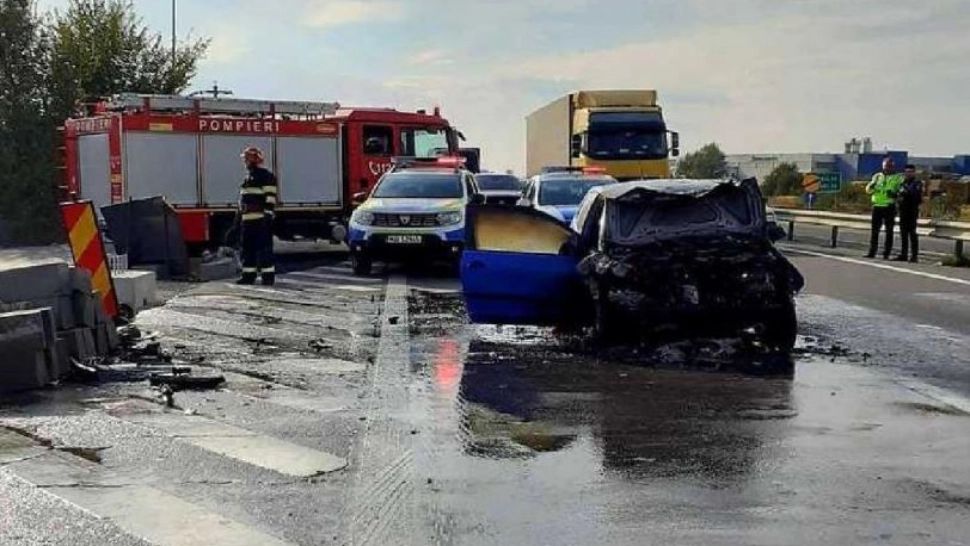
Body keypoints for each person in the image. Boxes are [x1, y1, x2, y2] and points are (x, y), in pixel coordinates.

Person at [237, 146, 277, 285]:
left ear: (254, 159)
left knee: (264, 249)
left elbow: (270, 198)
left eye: (247, 159)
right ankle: (248, 276)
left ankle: (268, 277)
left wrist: (267, 216)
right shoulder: (248, 177)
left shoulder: (265, 176)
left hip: (260, 220)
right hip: (247, 220)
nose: (245, 162)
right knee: (247, 249)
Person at [865, 157, 904, 259]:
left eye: (889, 166)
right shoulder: (877, 176)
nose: (887, 168)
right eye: (886, 166)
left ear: (892, 167)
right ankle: (872, 252)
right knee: (874, 231)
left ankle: (886, 253)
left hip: (889, 206)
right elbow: (868, 190)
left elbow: (902, 191)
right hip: (877, 206)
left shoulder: (898, 177)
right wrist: (872, 186)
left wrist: (895, 194)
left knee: (889, 231)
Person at [894, 164, 923, 263]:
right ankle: (904, 254)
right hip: (903, 211)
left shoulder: (917, 183)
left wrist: (906, 192)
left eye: (910, 172)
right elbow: (898, 195)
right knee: (903, 234)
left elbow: (916, 196)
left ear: (914, 172)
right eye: (907, 172)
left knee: (912, 234)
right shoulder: (902, 183)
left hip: (912, 211)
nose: (908, 174)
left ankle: (914, 256)